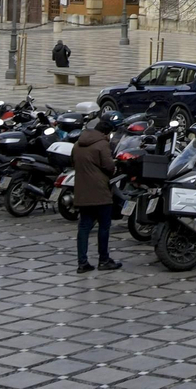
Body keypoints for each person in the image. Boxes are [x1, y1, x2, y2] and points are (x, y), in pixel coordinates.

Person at [71, 114, 122, 273]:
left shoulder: (78, 144)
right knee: (104, 227)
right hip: (100, 192)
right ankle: (104, 260)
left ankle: (82, 263)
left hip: (82, 192)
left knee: (84, 227)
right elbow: (109, 167)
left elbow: (72, 162)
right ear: (106, 134)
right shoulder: (102, 144)